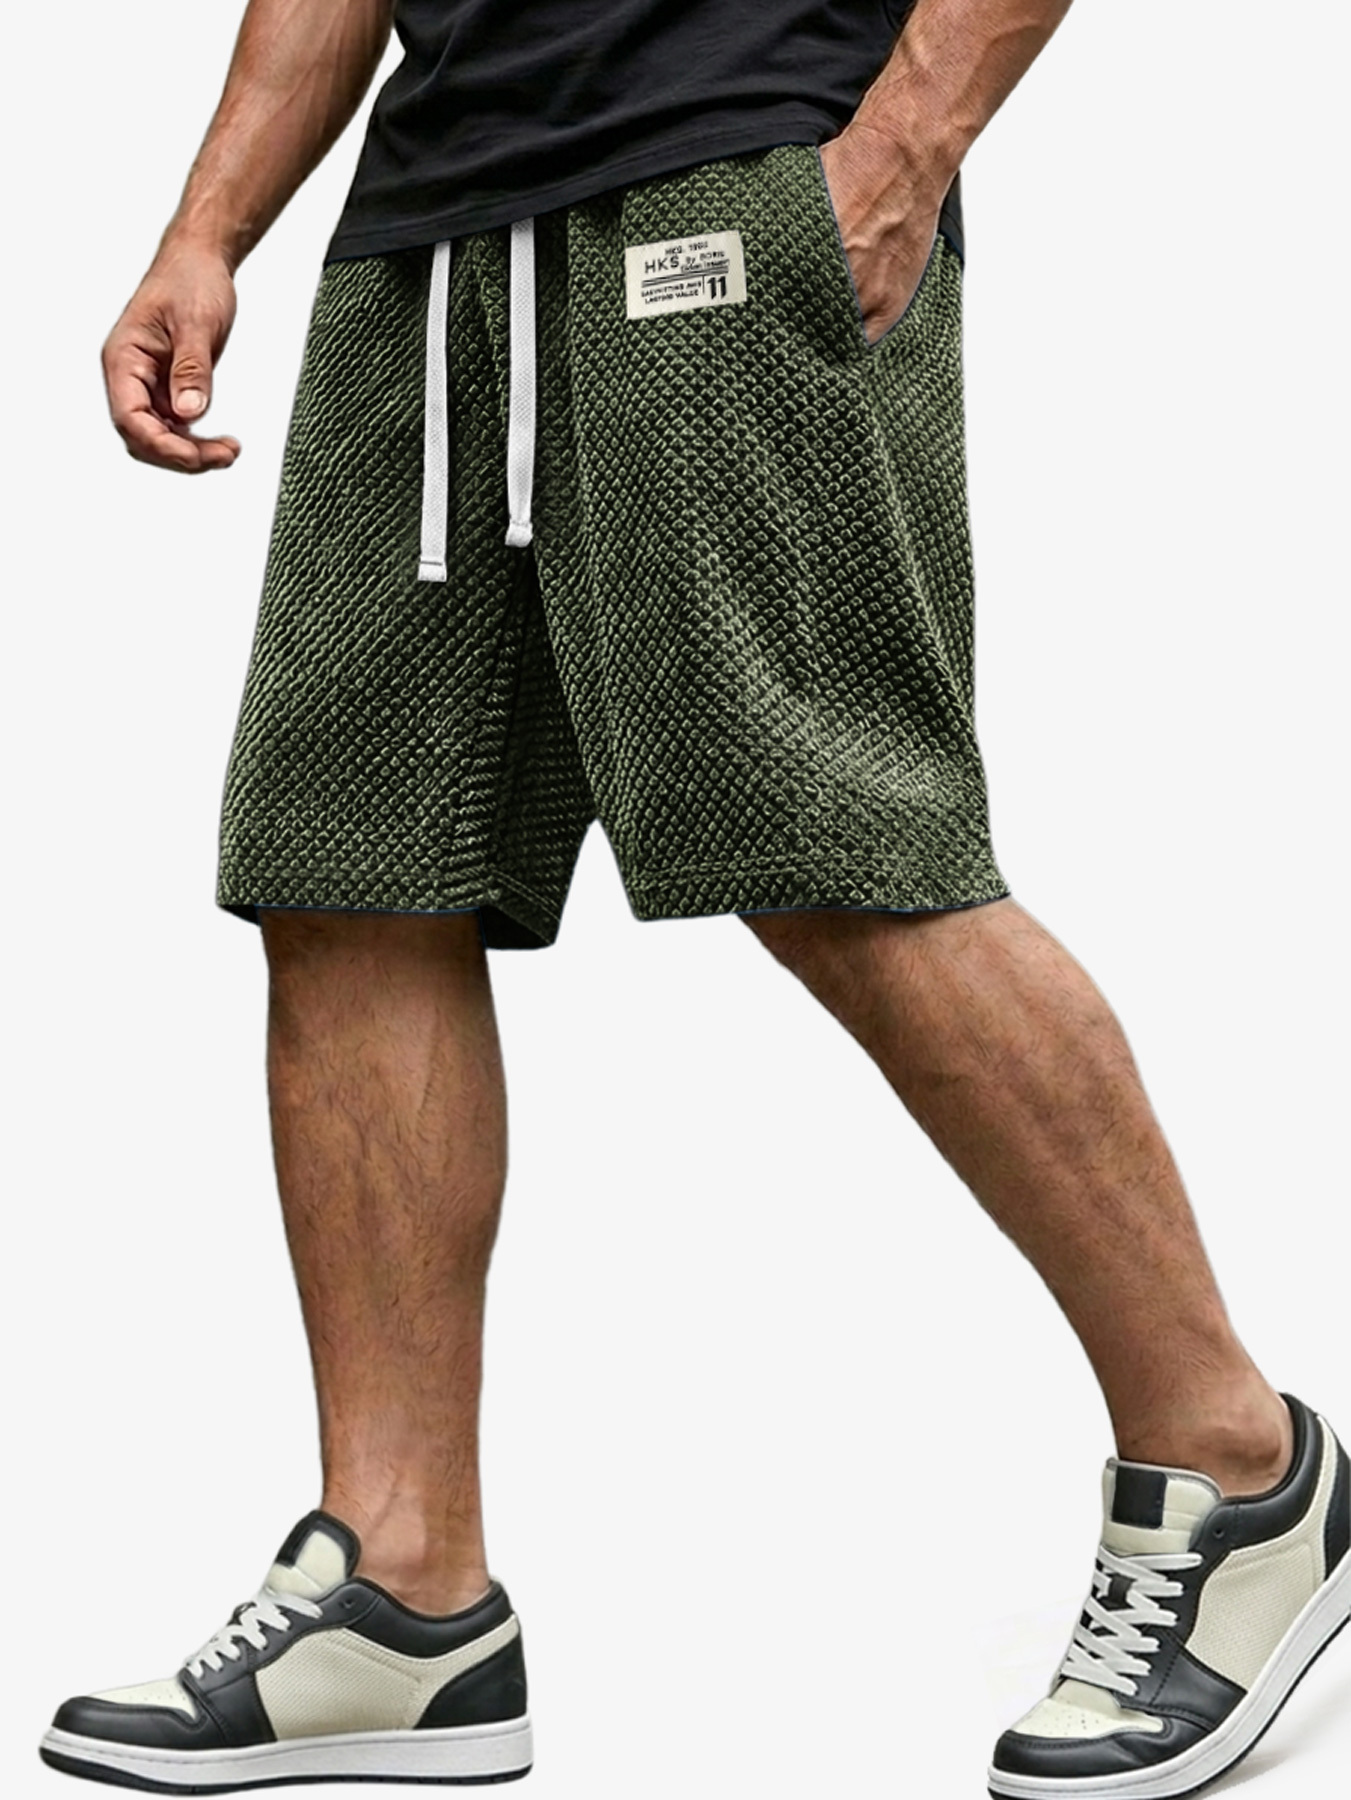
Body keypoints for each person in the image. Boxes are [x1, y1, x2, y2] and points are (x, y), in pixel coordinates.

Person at [39, 1, 1348, 1795]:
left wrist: (904, 148)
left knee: (842, 846)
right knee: (348, 876)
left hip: (731, 170)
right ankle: (404, 1595)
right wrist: (206, 229)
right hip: (430, 231)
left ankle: (1238, 1467)